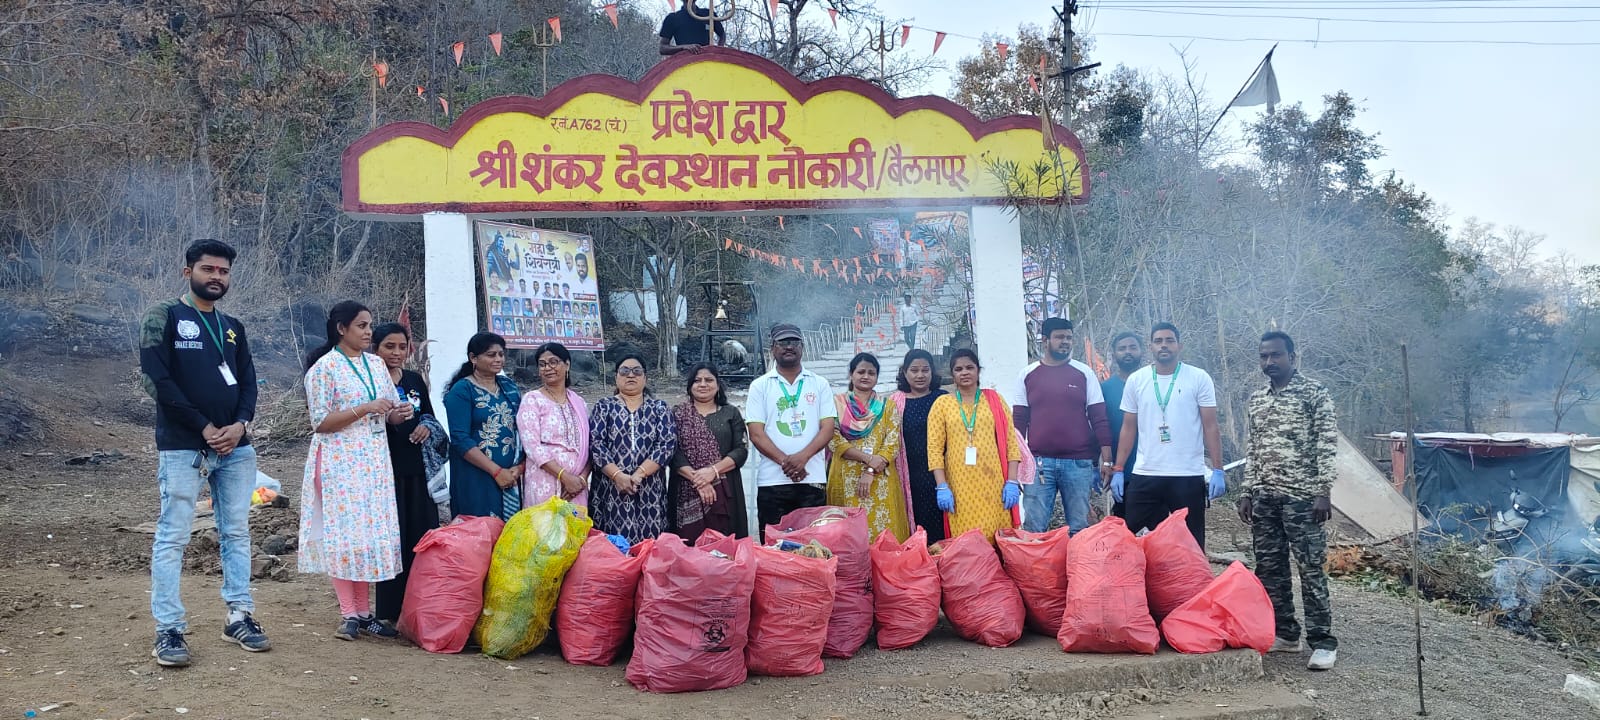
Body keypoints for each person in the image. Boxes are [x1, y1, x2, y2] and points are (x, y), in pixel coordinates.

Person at [140, 238, 268, 666]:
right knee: (173, 536)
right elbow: (157, 380)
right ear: (188, 272)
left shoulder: (233, 326)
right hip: (183, 446)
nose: (216, 277)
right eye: (208, 269)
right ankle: (169, 629)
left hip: (236, 448)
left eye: (223, 271)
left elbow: (248, 381)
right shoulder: (164, 316)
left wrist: (241, 424)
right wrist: (204, 426)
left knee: (236, 533)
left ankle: (239, 616)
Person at [299, 301, 404, 641]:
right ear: (341, 329)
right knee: (344, 536)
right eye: (361, 325)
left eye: (370, 325)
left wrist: (399, 414)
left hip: (373, 462)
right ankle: (349, 613)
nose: (368, 331)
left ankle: (363, 612)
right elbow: (320, 422)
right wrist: (365, 408)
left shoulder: (375, 364)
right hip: (339, 462)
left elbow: (388, 411)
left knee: (365, 537)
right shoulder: (324, 368)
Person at [1239, 331, 1340, 671]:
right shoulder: (1258, 399)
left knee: (1310, 569)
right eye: (1264, 356)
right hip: (1265, 498)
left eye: (1276, 355)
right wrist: (1247, 491)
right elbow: (1253, 448)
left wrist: (1323, 491)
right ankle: (1285, 634)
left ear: (1292, 357)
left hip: (1303, 498)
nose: (1269, 361)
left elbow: (1327, 443)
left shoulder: (1314, 393)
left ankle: (1322, 642)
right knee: (1270, 569)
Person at [1110, 323, 1226, 548]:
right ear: (1150, 347)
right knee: (1133, 541)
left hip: (1187, 474)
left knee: (1191, 544)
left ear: (1179, 346)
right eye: (1158, 341)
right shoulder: (1137, 380)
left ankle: (1192, 573)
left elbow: (1210, 426)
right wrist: (1118, 468)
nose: (1164, 345)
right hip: (1146, 473)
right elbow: (1128, 427)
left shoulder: (1198, 378)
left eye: (1169, 340)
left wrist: (1218, 470)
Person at [1012, 318, 1111, 535]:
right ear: (1045, 340)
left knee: (1080, 529)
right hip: (1038, 464)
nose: (1065, 341)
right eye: (1059, 337)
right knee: (1034, 529)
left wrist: (1107, 460)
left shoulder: (1084, 373)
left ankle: (1078, 559)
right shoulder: (1027, 375)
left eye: (1069, 337)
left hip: (1079, 464)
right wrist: (1016, 467)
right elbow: (1018, 425)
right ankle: (1036, 559)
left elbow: (1099, 418)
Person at [371, 323, 440, 625]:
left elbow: (429, 415)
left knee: (421, 535)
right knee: (393, 540)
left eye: (402, 347)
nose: (396, 353)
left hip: (418, 471)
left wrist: (426, 426)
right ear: (375, 348)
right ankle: (388, 611)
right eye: (389, 346)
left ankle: (420, 608)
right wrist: (390, 420)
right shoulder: (369, 381)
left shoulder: (414, 380)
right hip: (385, 472)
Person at [927, 349, 1027, 543]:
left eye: (969, 367)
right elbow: (934, 450)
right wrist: (942, 486)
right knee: (967, 540)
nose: (964, 372)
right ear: (952, 374)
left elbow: (1011, 443)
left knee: (997, 536)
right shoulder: (942, 404)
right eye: (958, 369)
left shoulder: (995, 400)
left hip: (994, 483)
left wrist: (1012, 481)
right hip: (959, 486)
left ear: (978, 371)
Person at [746, 323, 838, 528]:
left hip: (811, 478)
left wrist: (803, 458)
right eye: (783, 342)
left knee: (812, 541)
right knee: (774, 543)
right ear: (773, 348)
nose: (789, 347)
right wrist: (787, 463)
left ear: (802, 347)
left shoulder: (819, 383)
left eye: (794, 342)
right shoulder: (760, 386)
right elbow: (756, 434)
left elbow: (828, 428)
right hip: (772, 481)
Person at [589, 354, 678, 543]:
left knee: (651, 546)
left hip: (650, 489)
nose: (631, 375)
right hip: (611, 489)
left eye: (637, 371)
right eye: (624, 371)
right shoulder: (604, 407)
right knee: (614, 547)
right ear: (616, 377)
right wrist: (618, 476)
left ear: (645, 378)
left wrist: (639, 474)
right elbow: (596, 445)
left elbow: (666, 444)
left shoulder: (659, 408)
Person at [827, 353, 911, 541]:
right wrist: (868, 460)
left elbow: (892, 443)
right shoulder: (836, 404)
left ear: (877, 377)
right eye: (861, 372)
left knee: (884, 534)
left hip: (880, 479)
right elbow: (834, 440)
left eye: (871, 373)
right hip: (846, 477)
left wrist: (871, 470)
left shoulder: (887, 406)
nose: (866, 376)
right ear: (851, 374)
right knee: (850, 536)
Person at [443, 332, 524, 521]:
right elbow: (460, 439)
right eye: (491, 355)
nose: (498, 359)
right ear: (473, 358)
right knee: (479, 529)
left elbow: (522, 429)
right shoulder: (462, 391)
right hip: (475, 476)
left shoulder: (508, 387)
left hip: (511, 475)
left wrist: (520, 467)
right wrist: (496, 471)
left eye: (501, 354)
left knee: (510, 530)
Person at [669, 364, 750, 538]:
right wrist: (699, 480)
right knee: (686, 546)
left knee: (725, 544)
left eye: (709, 380)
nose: (703, 384)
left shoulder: (731, 413)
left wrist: (713, 471)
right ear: (690, 386)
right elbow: (672, 451)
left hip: (725, 490)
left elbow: (741, 450)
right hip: (685, 488)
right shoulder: (677, 414)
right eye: (697, 380)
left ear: (718, 385)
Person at [517, 343, 591, 508]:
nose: (548, 368)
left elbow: (588, 446)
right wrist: (564, 476)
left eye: (553, 362)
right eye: (542, 364)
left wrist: (581, 479)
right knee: (545, 525)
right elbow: (532, 446)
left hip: (577, 486)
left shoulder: (579, 402)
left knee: (575, 525)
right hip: (544, 482)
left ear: (567, 365)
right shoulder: (532, 400)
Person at [895, 349, 948, 543]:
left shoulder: (943, 399)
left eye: (925, 370)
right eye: (914, 370)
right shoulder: (896, 403)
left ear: (932, 372)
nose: (920, 375)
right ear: (905, 372)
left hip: (942, 474)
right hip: (911, 475)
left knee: (945, 522)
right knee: (918, 525)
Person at [1100, 331, 1144, 519]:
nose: (1128, 352)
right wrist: (1104, 463)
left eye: (1133, 347)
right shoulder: (1105, 389)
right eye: (1122, 348)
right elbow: (1100, 427)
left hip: (1155, 469)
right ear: (1114, 354)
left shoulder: (1153, 383)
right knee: (1124, 525)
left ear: (1142, 351)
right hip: (1122, 470)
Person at [659, 0, 726, 56]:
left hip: (707, 59)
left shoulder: (708, 14)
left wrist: (718, 51)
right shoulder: (673, 18)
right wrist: (683, 47)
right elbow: (662, 48)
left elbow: (722, 34)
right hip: (685, 61)